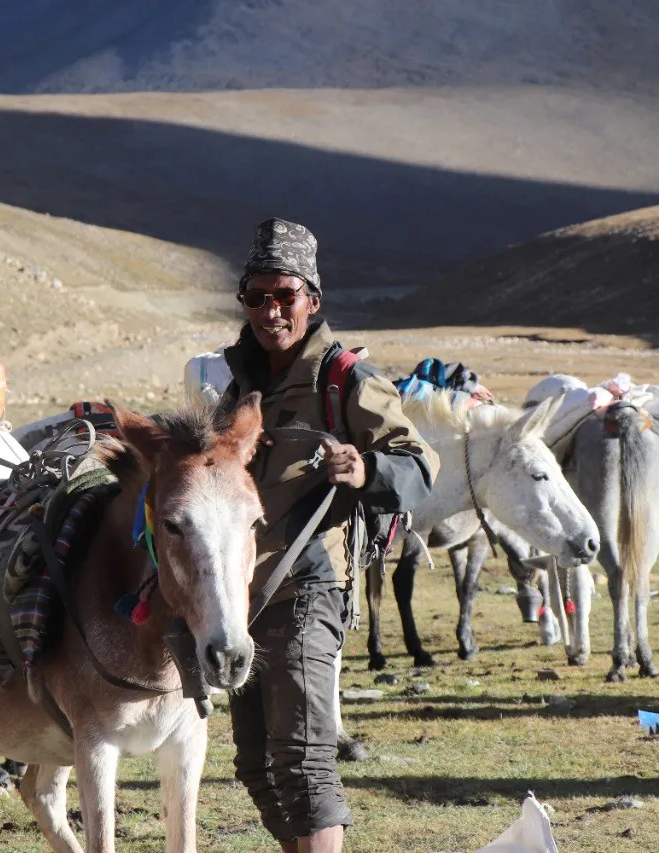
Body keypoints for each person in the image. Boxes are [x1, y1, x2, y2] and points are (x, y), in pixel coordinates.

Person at [217, 218, 439, 852]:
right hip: (240, 601)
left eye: (284, 295)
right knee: (257, 767)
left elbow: (421, 464)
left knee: (305, 761)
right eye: (256, 296)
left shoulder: (346, 380)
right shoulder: (239, 385)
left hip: (310, 584)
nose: (270, 310)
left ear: (312, 300)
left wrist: (368, 469)